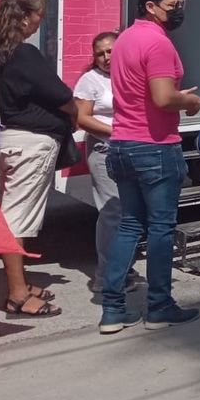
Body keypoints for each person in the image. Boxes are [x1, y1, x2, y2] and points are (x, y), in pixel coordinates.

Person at [99, 0, 200, 335]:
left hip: (122, 143)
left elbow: (144, 92)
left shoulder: (125, 38)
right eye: (173, 4)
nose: (179, 10)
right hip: (155, 146)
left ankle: (112, 308)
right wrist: (189, 101)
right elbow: (161, 98)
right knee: (160, 228)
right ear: (150, 6)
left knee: (130, 225)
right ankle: (159, 306)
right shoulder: (158, 43)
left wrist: (174, 96)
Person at [0, 0, 76, 318]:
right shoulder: (24, 54)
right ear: (25, 17)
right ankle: (16, 294)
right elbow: (61, 95)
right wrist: (73, 113)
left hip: (12, 140)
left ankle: (20, 285)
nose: (39, 22)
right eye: (37, 15)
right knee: (17, 219)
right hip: (30, 144)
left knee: (17, 214)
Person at [73, 31, 139, 295]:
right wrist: (117, 132)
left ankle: (124, 267)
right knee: (113, 212)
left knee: (132, 213)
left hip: (133, 149)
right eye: (99, 53)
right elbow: (82, 118)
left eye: (110, 51)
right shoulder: (90, 80)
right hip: (105, 150)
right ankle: (105, 277)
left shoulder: (133, 74)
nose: (105, 57)